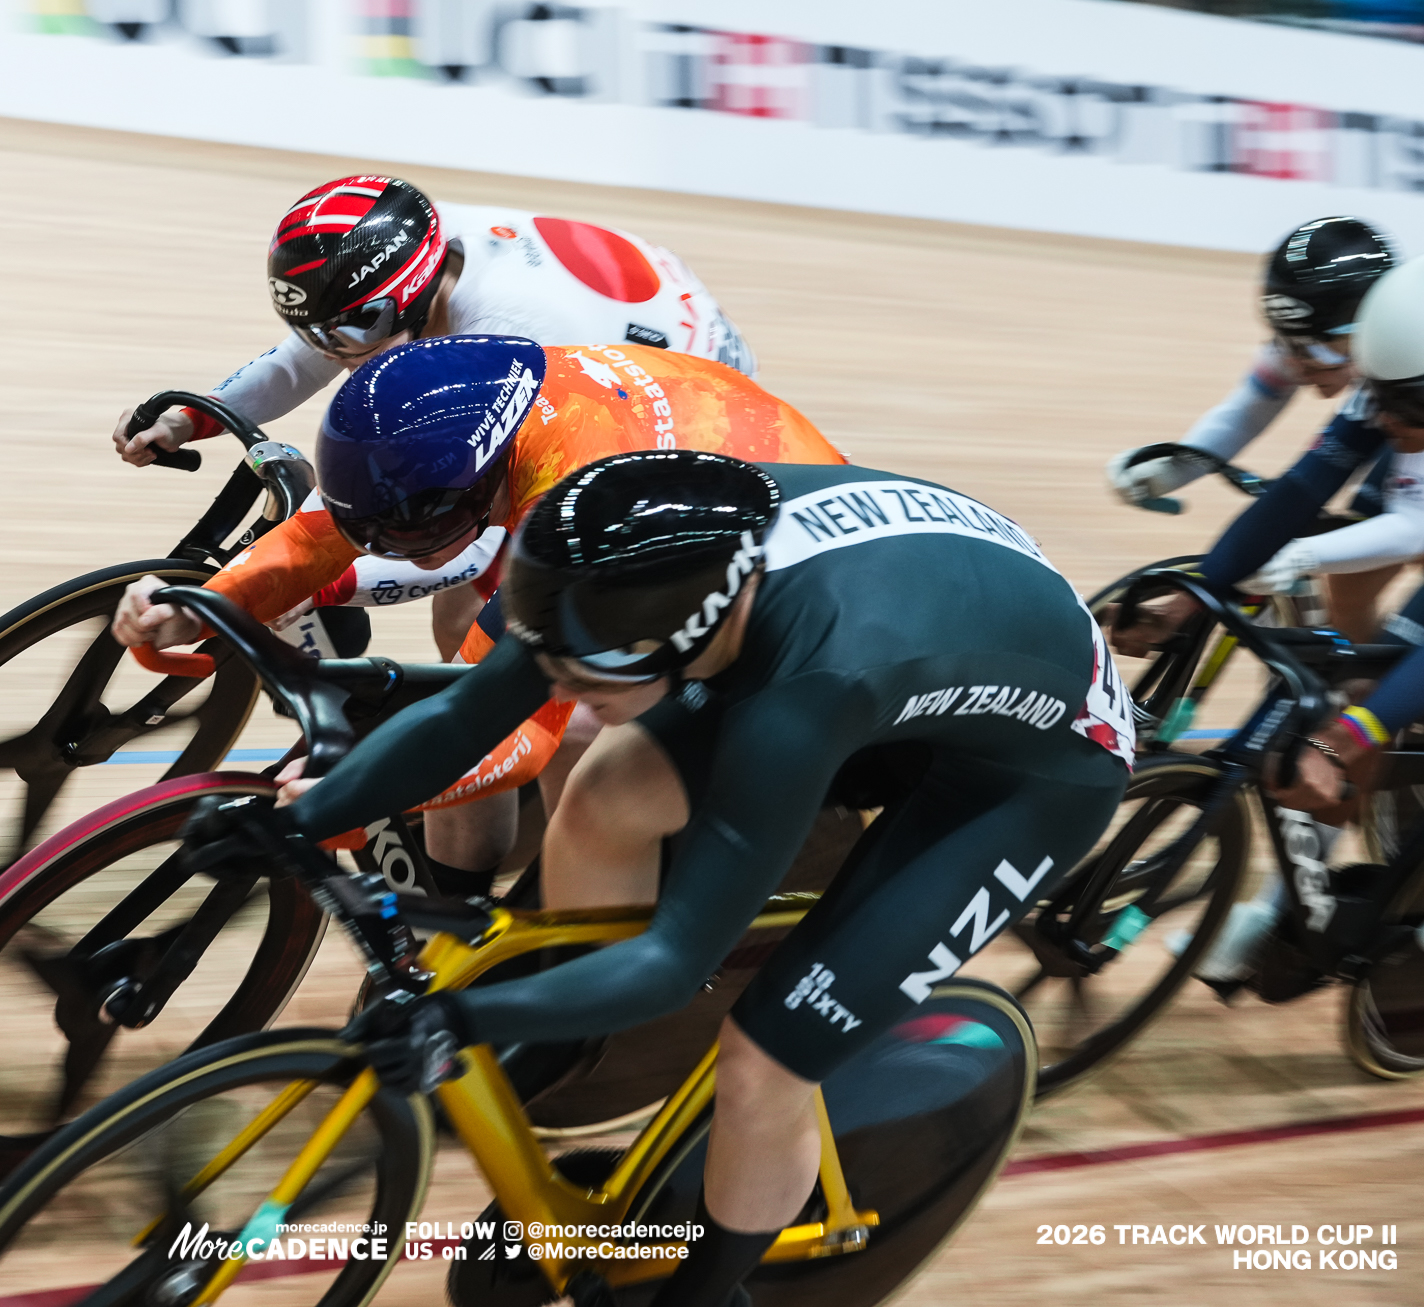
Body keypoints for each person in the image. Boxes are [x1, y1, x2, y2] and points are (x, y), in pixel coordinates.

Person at [185, 450, 1132, 1307]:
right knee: (603, 788)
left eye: (586, 671)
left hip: (1031, 771)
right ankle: (585, 1041)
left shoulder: (799, 691)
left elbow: (679, 958)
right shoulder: (615, 576)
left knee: (767, 1057)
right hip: (916, 651)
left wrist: (457, 1018)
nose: (559, 687)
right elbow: (469, 715)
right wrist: (296, 818)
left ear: (693, 631)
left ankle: (710, 1291)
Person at [115, 335, 845, 890]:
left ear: (474, 486)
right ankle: (457, 913)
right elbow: (314, 540)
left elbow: (517, 727)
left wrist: (373, 784)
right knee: (457, 696)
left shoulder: (560, 496)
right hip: (683, 476)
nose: (379, 550)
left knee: (581, 732)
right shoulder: (451, 424)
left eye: (402, 535)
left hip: (787, 573)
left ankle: (603, 927)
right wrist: (207, 606)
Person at [114, 174, 761, 656]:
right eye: (323, 331)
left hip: (684, 380)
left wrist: (321, 583)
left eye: (357, 330)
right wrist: (191, 419)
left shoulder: (509, 334)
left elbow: (469, 542)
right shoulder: (397, 251)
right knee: (458, 621)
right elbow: (308, 353)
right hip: (632, 297)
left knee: (502, 599)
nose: (341, 355)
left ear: (418, 295)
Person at [1112, 254, 1424, 985]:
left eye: (1401, 408)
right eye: (1373, 396)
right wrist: (1195, 597)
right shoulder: (1391, 384)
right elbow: (1296, 492)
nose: (1377, 416)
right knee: (1362, 674)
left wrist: (1349, 737)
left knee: (1358, 721)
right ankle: (1285, 905)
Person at [1107, 217, 1400, 641]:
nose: (1298, 363)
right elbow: (1244, 414)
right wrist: (1170, 470)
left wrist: (1299, 555)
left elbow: (1324, 487)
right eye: (1286, 343)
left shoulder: (1400, 367)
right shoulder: (1311, 340)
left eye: (1314, 349)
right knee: (1350, 592)